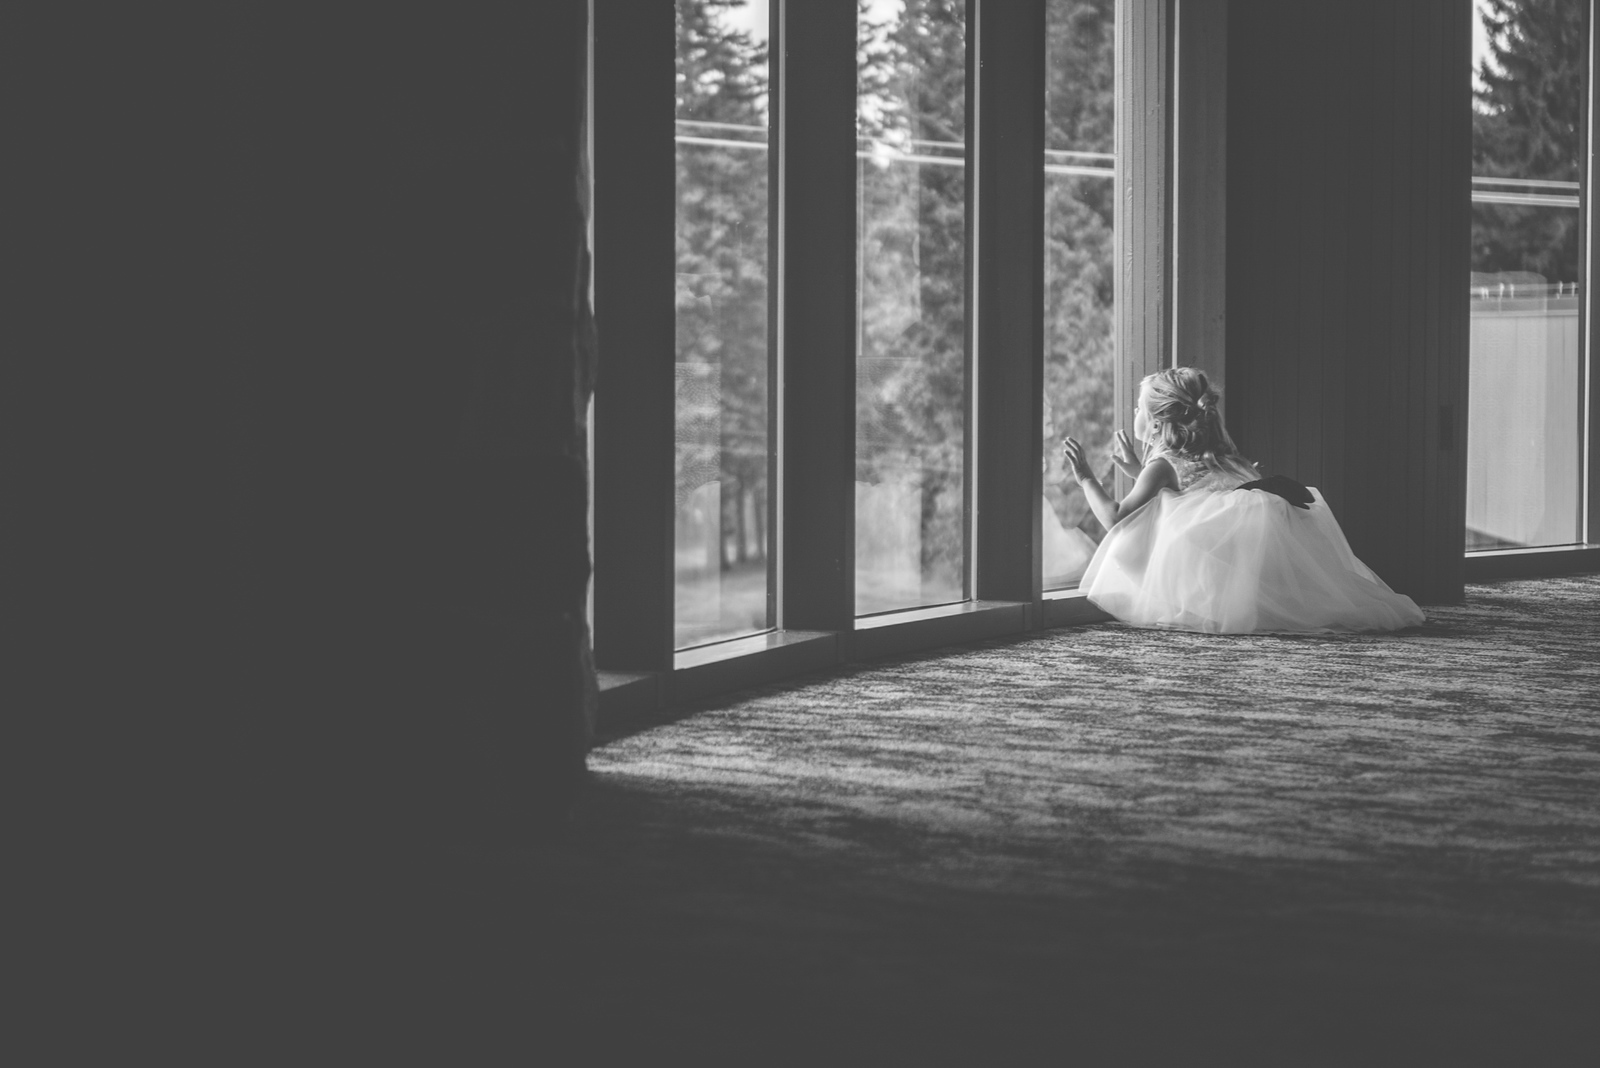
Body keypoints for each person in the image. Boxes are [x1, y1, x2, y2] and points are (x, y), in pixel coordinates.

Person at [1060, 367, 1425, 633]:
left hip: (1218, 572)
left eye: (1139, 409)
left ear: (1156, 424)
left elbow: (1115, 517)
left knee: (1133, 534)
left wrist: (1086, 477)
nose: (1135, 414)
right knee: (1166, 511)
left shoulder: (1163, 465)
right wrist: (1138, 469)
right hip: (1250, 564)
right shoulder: (1224, 456)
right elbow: (1188, 491)